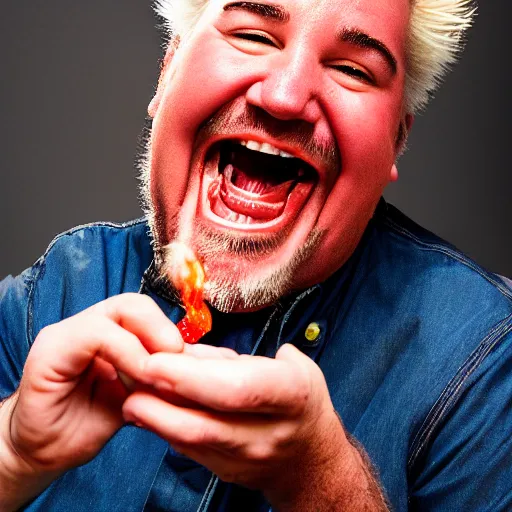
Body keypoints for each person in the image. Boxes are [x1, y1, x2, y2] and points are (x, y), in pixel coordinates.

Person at [1, 0, 511, 510]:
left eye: (352, 70)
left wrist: (320, 481)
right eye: (254, 36)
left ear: (397, 140)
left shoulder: (484, 364)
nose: (285, 97)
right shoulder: (51, 295)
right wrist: (13, 453)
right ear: (167, 71)